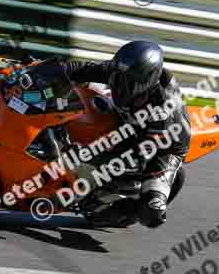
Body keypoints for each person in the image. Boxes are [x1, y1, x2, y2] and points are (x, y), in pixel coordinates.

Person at [62, 40, 191, 228]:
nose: (117, 83)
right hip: (130, 121)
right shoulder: (120, 71)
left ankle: (125, 207)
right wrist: (47, 70)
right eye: (117, 76)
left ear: (146, 81)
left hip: (164, 147)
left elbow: (137, 157)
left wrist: (85, 158)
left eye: (126, 81)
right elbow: (79, 68)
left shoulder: (163, 111)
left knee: (152, 213)